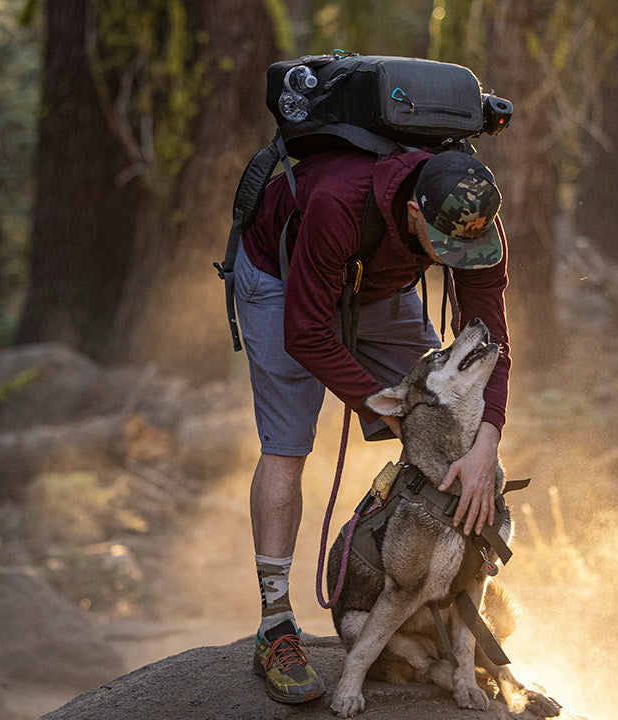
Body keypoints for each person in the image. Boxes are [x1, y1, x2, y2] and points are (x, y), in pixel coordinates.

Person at [233, 146, 512, 703]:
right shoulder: (340, 202)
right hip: (282, 278)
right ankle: (276, 623)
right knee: (286, 445)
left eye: (470, 247)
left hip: (380, 283)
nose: (461, 256)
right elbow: (306, 332)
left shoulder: (474, 217)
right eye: (449, 246)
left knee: (451, 415)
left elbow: (492, 342)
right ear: (413, 212)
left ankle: (445, 596)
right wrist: (387, 404)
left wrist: (485, 443)